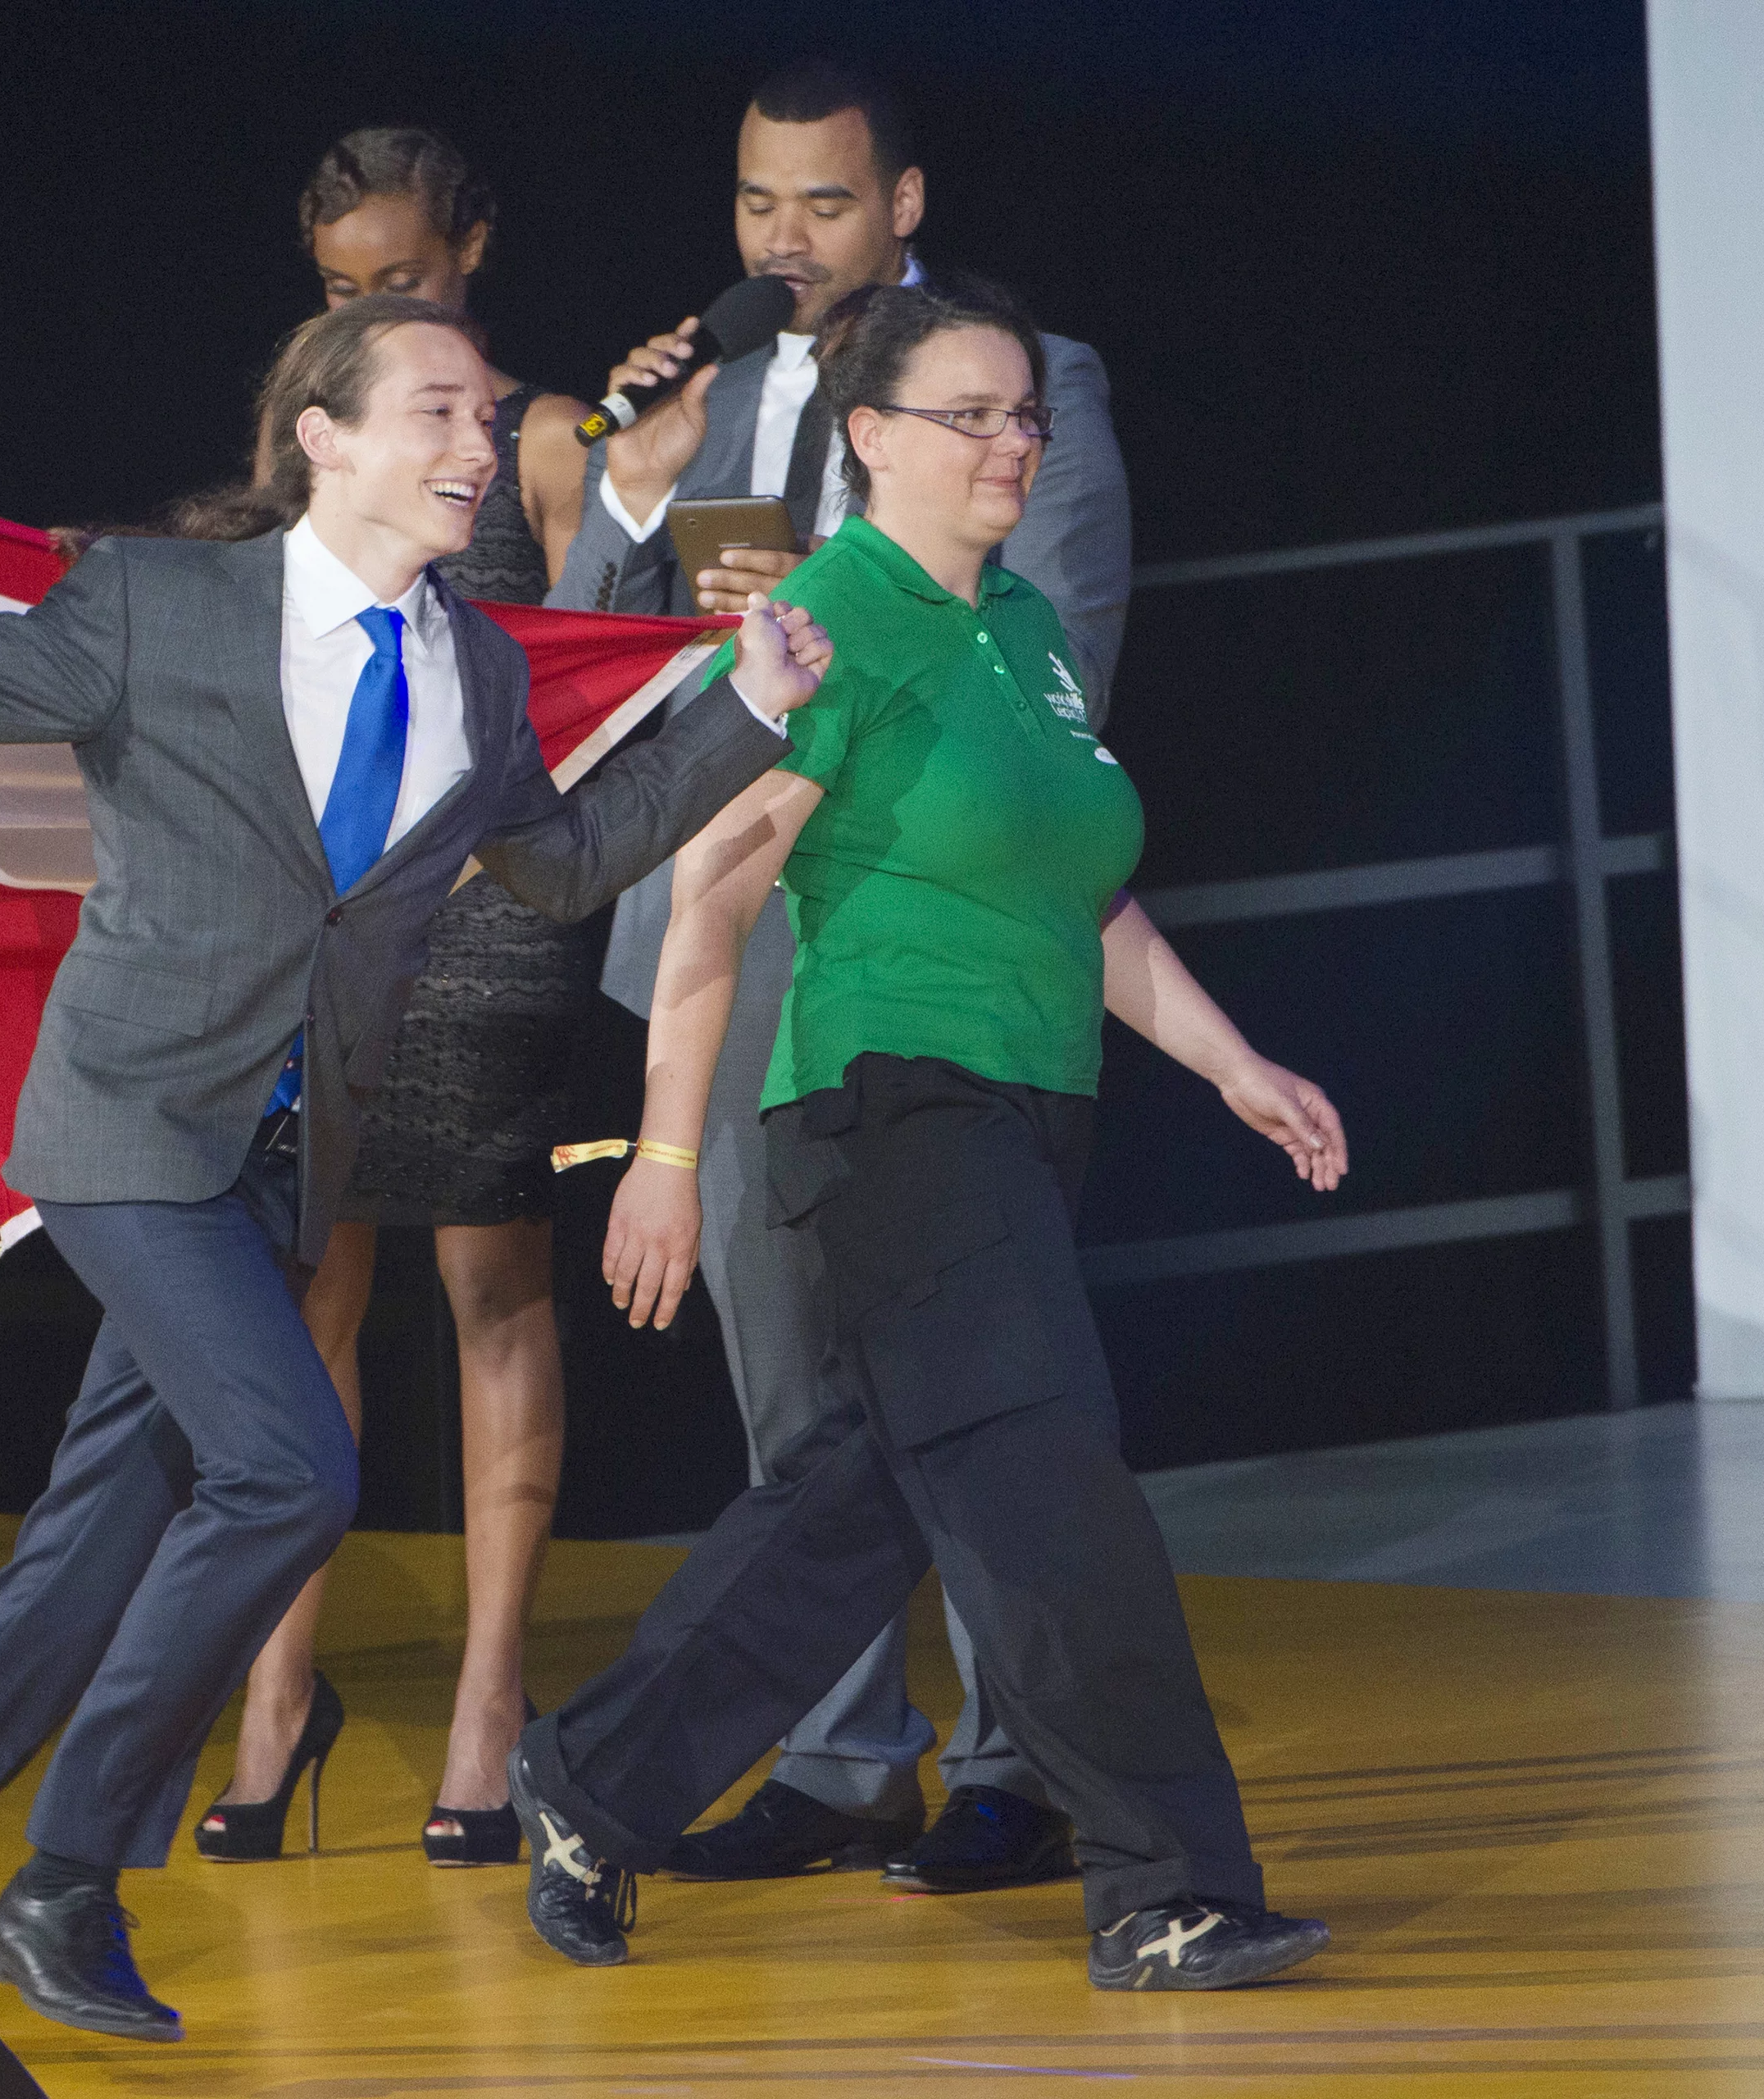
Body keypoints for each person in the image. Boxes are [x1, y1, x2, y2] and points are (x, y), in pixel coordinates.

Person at [0, 296, 830, 2042]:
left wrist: (749, 707)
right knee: (288, 1467)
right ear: (321, 436)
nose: (478, 446)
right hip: (122, 1129)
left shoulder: (470, 664)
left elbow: (560, 869)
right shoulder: (152, 604)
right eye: (436, 412)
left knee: (74, 1571)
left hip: (277, 1164)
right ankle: (68, 1873)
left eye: (486, 417)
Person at [507, 276, 1339, 1992]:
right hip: (894, 1104)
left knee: (872, 1492)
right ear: (868, 436)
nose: (1014, 443)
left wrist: (1232, 1061)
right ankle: (1167, 1883)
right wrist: (667, 1159)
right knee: (1051, 1475)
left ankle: (590, 1779)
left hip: (1032, 1106)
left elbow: (1081, 891)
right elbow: (710, 905)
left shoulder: (1021, 628)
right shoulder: (830, 618)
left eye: (1026, 413)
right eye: (972, 414)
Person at [547, 55, 1135, 1892]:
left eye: (821, 204)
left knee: (969, 1370)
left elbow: (1054, 682)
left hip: (920, 947)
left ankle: (1019, 1761)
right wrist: (636, 501)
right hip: (723, 934)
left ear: (905, 207)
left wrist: (836, 638)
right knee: (790, 1374)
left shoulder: (1019, 399)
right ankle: (839, 1752)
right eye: (752, 204)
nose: (781, 240)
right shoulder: (707, 397)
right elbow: (598, 679)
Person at [197, 128, 594, 1873]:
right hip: (335, 908)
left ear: (476, 246)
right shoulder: (321, 431)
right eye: (344, 289)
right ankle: (281, 1692)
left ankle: (489, 1707)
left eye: (406, 278)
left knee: (490, 1279)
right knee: (306, 1300)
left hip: (495, 902)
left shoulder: (556, 436)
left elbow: (615, 663)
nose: (373, 310)